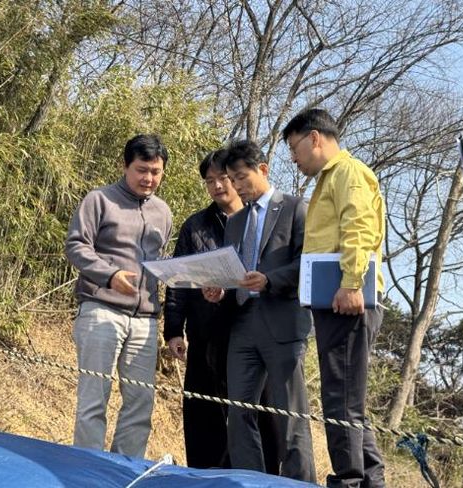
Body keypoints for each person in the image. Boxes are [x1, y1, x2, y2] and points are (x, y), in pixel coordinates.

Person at [283, 109, 386, 488]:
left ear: (314, 138)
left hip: (347, 299)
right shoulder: (330, 178)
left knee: (340, 400)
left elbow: (359, 225)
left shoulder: (348, 172)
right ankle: (369, 480)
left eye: (293, 148)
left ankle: (348, 481)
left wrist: (352, 283)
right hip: (335, 300)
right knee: (348, 400)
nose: (293, 158)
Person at [204, 140, 316, 482]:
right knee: (238, 412)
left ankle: (299, 484)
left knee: (291, 416)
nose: (236, 186)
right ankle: (249, 481)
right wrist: (220, 288)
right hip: (243, 325)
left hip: (284, 322)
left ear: (263, 170)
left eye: (241, 178)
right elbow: (233, 269)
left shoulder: (296, 208)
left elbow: (308, 262)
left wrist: (270, 280)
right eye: (231, 179)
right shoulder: (235, 222)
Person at [164, 149, 281, 470]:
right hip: (205, 333)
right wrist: (174, 329)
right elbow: (178, 281)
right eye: (209, 181)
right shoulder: (196, 226)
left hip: (253, 334)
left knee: (258, 414)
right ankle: (204, 477)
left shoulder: (261, 220)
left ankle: (262, 477)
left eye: (223, 178)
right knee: (203, 414)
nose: (216, 186)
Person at [65, 134, 172, 457]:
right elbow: (76, 246)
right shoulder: (99, 200)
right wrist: (110, 275)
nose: (148, 178)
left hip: (145, 320)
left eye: (155, 172)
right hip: (101, 310)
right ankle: (87, 469)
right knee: (94, 398)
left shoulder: (163, 212)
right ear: (124, 166)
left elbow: (161, 261)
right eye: (142, 170)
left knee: (141, 403)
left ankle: (124, 470)